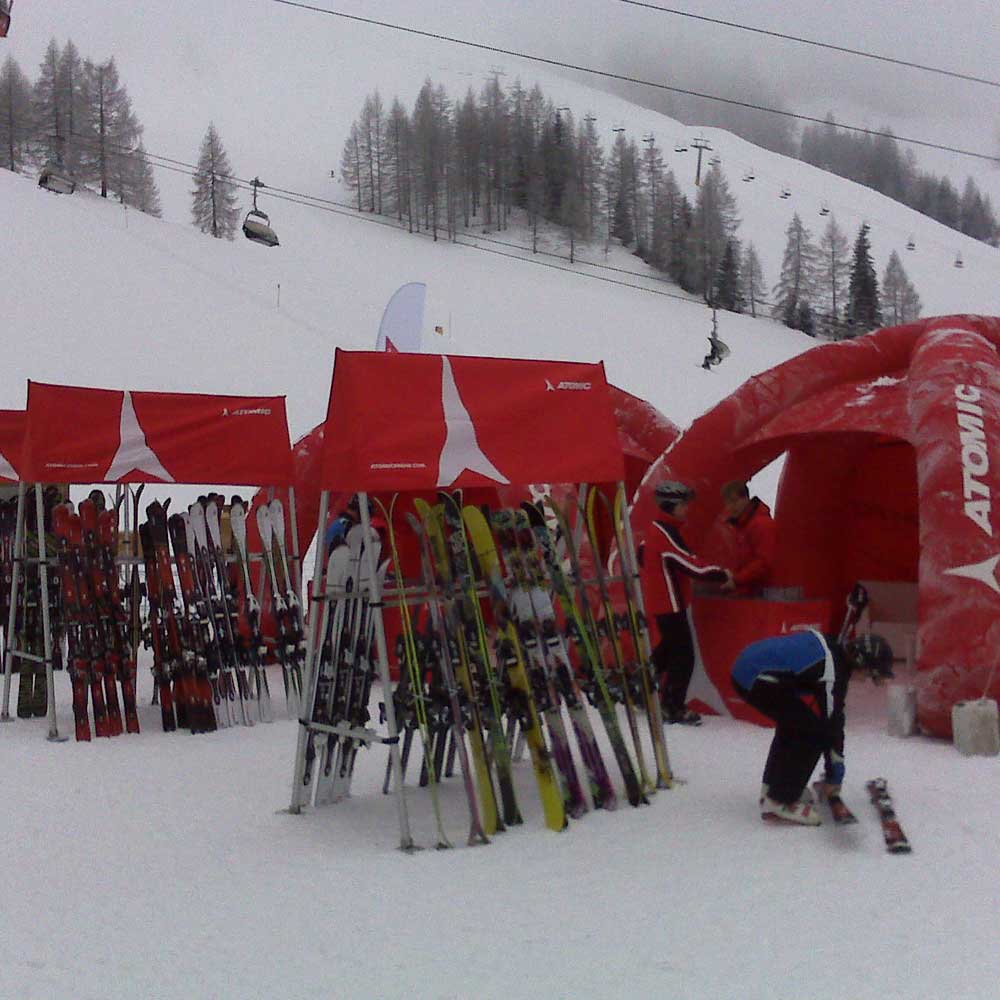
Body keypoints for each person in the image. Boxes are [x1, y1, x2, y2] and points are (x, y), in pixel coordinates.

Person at [731, 630, 894, 825]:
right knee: (814, 734)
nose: (867, 679)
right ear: (861, 664)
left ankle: (772, 789)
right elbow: (832, 726)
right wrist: (834, 778)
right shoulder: (832, 671)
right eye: (870, 674)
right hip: (755, 678)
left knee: (795, 723)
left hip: (748, 669)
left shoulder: (833, 650)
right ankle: (781, 801)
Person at [642, 480, 733, 725]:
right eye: (683, 505)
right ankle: (672, 706)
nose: (687, 509)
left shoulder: (658, 529)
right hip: (669, 603)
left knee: (668, 649)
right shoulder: (665, 533)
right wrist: (722, 574)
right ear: (671, 506)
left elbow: (644, 554)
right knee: (684, 656)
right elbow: (691, 565)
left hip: (662, 601)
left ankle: (639, 686)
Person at [719, 480, 776, 597]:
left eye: (734, 501)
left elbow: (764, 563)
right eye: (728, 503)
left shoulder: (761, 524)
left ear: (746, 499)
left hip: (763, 595)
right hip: (750, 593)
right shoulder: (741, 527)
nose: (731, 507)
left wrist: (737, 580)